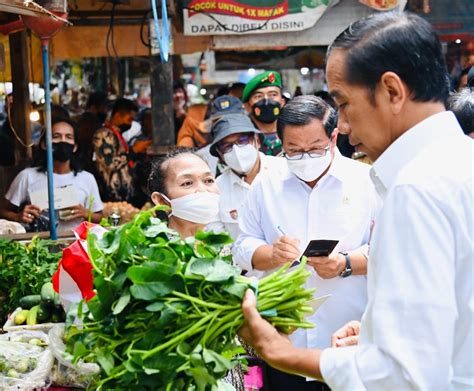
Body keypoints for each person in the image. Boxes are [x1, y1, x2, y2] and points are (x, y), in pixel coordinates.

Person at [239, 12, 474, 390]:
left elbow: (404, 375)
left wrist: (282, 353)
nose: (343, 128)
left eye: (344, 104)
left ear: (392, 92)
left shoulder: (417, 189)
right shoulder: (458, 164)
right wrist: (374, 331)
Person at [234, 95, 379, 390]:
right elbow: (244, 243)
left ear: (334, 137)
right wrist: (271, 254)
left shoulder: (367, 181)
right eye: (294, 151)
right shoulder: (266, 183)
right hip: (286, 338)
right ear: (280, 144)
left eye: (315, 149)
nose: (305, 158)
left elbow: (387, 250)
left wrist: (345, 264)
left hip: (351, 335)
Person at [0, 117, 103, 232]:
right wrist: (18, 216)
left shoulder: (87, 179)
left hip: (75, 245)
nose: (62, 141)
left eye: (68, 137)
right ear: (44, 144)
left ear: (74, 147)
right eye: (56, 136)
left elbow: (99, 217)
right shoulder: (27, 176)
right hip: (39, 244)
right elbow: (3, 210)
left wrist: (85, 213)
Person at [208, 111, 287, 241]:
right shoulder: (217, 189)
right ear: (220, 155)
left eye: (242, 140)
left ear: (257, 141)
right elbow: (218, 239)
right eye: (226, 146)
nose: (236, 150)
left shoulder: (284, 171)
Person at [147, 149, 220, 239]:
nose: (202, 189)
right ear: (161, 201)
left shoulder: (219, 246)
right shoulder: (156, 250)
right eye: (187, 183)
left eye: (209, 180)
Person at [92, 98, 138, 203]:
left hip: (124, 198)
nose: (130, 124)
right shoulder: (103, 134)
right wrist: (134, 151)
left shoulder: (116, 135)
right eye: (129, 119)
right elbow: (109, 163)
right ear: (117, 116)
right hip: (112, 197)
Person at [242, 70, 286, 156]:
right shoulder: (242, 140)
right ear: (247, 106)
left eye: (273, 95)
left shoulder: (293, 132)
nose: (266, 101)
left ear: (282, 103)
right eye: (259, 96)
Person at [77, 91, 108, 172]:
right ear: (93, 107)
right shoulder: (91, 123)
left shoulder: (84, 120)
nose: (106, 112)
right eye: (104, 108)